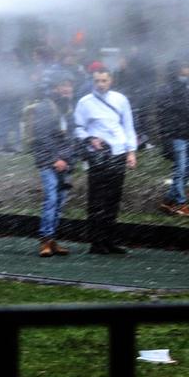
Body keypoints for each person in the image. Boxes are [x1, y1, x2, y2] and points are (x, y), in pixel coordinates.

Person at [74, 69, 138, 254]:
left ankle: (110, 239)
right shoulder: (85, 102)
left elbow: (128, 126)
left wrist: (131, 152)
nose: (100, 84)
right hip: (99, 155)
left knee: (113, 199)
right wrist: (90, 138)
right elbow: (78, 127)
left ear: (110, 81)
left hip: (117, 152)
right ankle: (96, 241)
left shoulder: (120, 99)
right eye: (97, 80)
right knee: (97, 200)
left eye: (104, 80)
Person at [30, 72, 77, 257]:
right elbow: (41, 137)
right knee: (51, 199)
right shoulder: (45, 107)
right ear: (56, 88)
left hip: (65, 162)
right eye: (63, 85)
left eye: (69, 85)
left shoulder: (69, 107)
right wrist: (55, 159)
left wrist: (66, 158)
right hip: (48, 161)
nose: (67, 89)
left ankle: (52, 238)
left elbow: (72, 136)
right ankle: (45, 239)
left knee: (60, 202)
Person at [156, 61, 189, 216]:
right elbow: (163, 114)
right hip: (176, 134)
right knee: (180, 170)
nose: (188, 68)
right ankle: (181, 203)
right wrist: (166, 135)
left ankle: (168, 200)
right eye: (185, 66)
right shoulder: (167, 88)